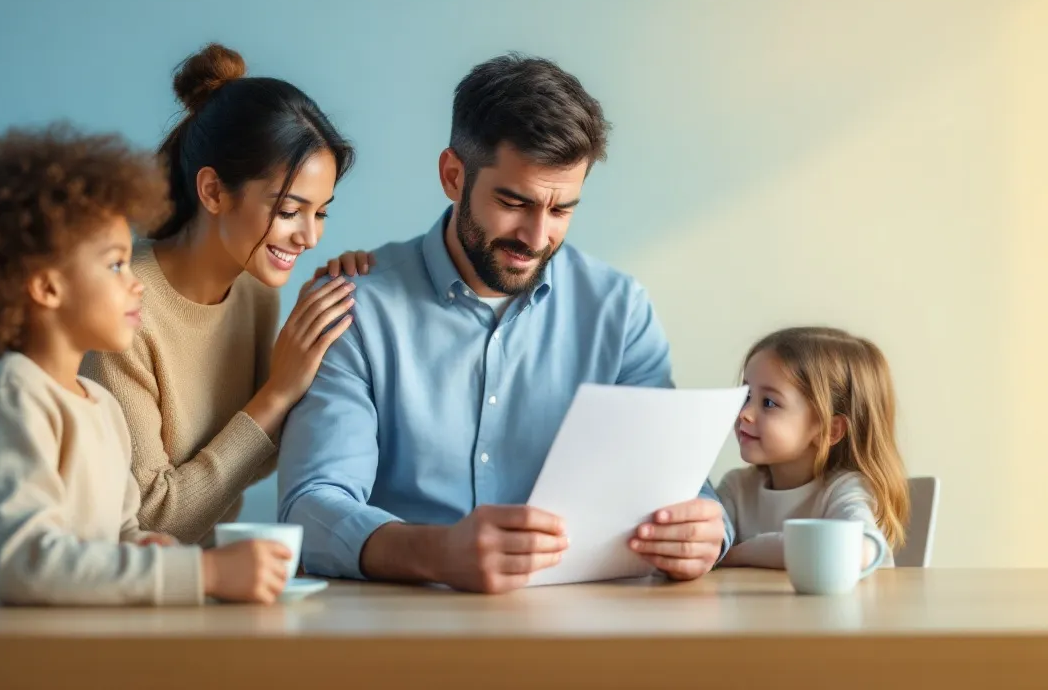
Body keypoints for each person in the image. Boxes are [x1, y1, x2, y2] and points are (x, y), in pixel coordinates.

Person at [279, 54, 732, 593]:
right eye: (514, 202)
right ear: (453, 176)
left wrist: (707, 528)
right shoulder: (356, 310)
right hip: (405, 633)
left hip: (587, 633)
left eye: (561, 210)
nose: (537, 237)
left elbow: (679, 484)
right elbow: (309, 509)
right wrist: (435, 553)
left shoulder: (619, 310)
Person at [0, 124, 292, 604]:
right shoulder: (14, 396)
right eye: (115, 265)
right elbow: (26, 565)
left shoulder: (102, 406)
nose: (136, 283)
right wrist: (201, 573)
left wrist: (149, 547)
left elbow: (118, 532)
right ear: (47, 287)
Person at [82, 44, 357, 545]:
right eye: (290, 210)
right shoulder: (122, 311)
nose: (310, 237)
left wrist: (337, 301)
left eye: (320, 213)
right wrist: (277, 393)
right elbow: (149, 521)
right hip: (109, 597)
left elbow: (248, 457)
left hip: (196, 588)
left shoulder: (253, 291)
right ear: (212, 191)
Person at [717, 327, 910, 570]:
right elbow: (704, 545)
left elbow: (854, 549)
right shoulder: (737, 488)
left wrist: (737, 554)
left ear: (829, 430)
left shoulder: (845, 490)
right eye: (746, 396)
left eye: (768, 402)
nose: (744, 414)